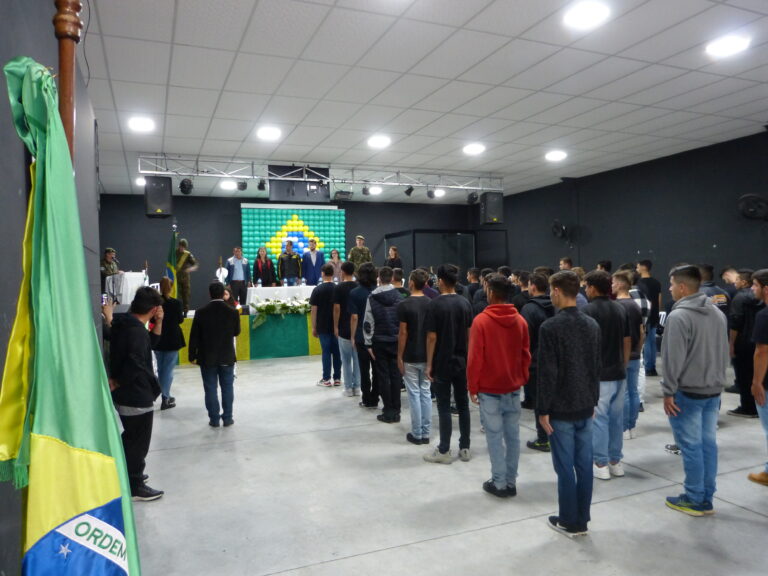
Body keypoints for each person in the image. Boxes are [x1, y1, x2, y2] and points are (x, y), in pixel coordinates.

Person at [537, 271, 601, 537]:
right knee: (584, 465)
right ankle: (582, 518)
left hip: (561, 409)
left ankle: (568, 519)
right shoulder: (592, 325)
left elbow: (548, 372)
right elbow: (595, 367)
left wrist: (542, 410)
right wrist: (594, 399)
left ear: (556, 291)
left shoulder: (550, 327)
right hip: (586, 404)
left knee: (564, 468)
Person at [662, 265, 729, 516]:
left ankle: (694, 497)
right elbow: (724, 351)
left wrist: (668, 391)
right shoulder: (717, 313)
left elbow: (672, 359)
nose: (669, 289)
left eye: (671, 284)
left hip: (687, 393)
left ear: (682, 287)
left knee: (691, 446)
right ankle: (706, 495)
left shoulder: (679, 317)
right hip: (713, 391)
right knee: (708, 444)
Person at [468, 274, 531, 498]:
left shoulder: (481, 322)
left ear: (491, 293)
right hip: (513, 386)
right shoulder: (520, 321)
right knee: (513, 435)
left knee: (494, 435)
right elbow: (526, 355)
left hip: (489, 388)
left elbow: (475, 357)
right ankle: (511, 480)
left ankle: (499, 481)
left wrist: (472, 386)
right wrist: (521, 377)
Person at [109, 287, 165, 501]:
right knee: (138, 442)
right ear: (153, 309)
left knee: (131, 438)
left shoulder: (125, 324)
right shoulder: (136, 332)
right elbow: (135, 362)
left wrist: (157, 323)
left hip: (129, 393)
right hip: (136, 394)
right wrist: (119, 381)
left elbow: (151, 345)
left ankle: (130, 475)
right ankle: (134, 483)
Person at [423, 264, 473, 464]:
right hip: (461, 361)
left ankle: (444, 449)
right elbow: (470, 335)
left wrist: (429, 364)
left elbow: (431, 338)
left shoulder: (434, 305)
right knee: (463, 405)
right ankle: (465, 447)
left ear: (441, 281)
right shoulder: (465, 303)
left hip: (442, 362)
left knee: (444, 406)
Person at [582, 270, 630, 481]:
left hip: (599, 375)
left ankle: (600, 462)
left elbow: (585, 346)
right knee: (616, 419)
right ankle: (615, 461)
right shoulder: (620, 309)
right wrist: (624, 364)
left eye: (586, 286)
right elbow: (627, 340)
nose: (585, 289)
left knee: (599, 419)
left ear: (592, 288)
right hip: (619, 371)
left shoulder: (587, 311)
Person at [188, 282, 242, 427]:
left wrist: (192, 355)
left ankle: (214, 419)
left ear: (209, 294)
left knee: (210, 388)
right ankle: (228, 417)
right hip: (227, 355)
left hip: (207, 357)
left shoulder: (200, 312)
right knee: (227, 387)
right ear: (223, 293)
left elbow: (194, 336)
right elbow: (236, 332)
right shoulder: (232, 311)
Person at [364, 266, 405, 423]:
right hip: (395, 340)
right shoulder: (399, 296)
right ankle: (397, 409)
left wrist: (368, 344)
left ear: (379, 278)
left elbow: (368, 323)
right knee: (396, 376)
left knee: (382, 376)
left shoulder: (372, 298)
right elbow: (403, 322)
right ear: (392, 277)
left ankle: (388, 410)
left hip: (379, 341)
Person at [397, 269, 432, 444]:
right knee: (425, 392)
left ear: (411, 282)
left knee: (414, 394)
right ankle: (426, 432)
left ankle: (417, 433)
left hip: (410, 354)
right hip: (427, 354)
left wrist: (399, 356)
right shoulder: (431, 303)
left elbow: (403, 333)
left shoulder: (404, 304)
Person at [521, 273, 555, 448]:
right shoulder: (556, 305)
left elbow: (525, 338)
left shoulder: (529, 309)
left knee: (539, 403)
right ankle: (555, 436)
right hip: (556, 360)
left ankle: (543, 439)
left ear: (532, 286)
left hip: (536, 362)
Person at [612, 271, 644, 439]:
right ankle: (631, 425)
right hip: (634, 355)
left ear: (619, 284)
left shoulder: (617, 306)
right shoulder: (635, 305)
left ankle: (623, 427)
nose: (611, 286)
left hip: (621, 356)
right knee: (633, 391)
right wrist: (638, 349)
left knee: (623, 393)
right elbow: (642, 331)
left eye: (613, 282)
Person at [728, 269, 762, 418]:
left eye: (737, 280)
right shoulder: (760, 300)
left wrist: (731, 344)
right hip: (759, 341)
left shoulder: (739, 298)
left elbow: (735, 323)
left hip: (743, 342)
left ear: (744, 282)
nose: (735, 282)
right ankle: (759, 406)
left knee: (743, 376)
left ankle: (747, 407)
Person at [349, 263, 379, 409]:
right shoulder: (379, 291)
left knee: (364, 368)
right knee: (377, 368)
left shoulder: (355, 293)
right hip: (377, 335)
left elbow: (354, 317)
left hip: (361, 335)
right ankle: (375, 397)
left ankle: (366, 398)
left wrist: (353, 336)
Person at [749, 268, 768, 486]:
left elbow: (762, 351)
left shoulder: (764, 315)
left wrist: (757, 382)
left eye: (754, 285)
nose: (752, 289)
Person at [155, 277, 185, 411]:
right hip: (173, 338)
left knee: (161, 369)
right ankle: (165, 397)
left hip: (158, 337)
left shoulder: (155, 303)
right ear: (171, 287)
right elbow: (180, 320)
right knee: (168, 370)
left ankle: (165, 394)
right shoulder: (177, 303)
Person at [311, 263, 342, 387]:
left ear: (322, 274)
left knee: (326, 352)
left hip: (322, 326)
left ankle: (326, 379)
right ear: (333, 273)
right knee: (337, 352)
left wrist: (314, 326)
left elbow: (314, 310)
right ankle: (338, 378)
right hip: (337, 326)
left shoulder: (317, 289)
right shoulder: (337, 288)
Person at [334, 261, 359, 397]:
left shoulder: (338, 288)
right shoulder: (358, 286)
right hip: (357, 328)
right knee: (357, 360)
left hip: (343, 327)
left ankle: (348, 388)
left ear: (342, 272)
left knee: (346, 360)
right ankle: (357, 387)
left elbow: (337, 308)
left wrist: (335, 326)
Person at [636, 259, 662, 376]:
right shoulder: (656, 282)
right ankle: (652, 367)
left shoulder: (639, 284)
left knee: (646, 342)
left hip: (644, 315)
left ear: (643, 267)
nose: (636, 269)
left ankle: (647, 367)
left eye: (638, 267)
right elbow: (659, 300)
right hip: (655, 314)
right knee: (652, 341)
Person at [176, 238, 199, 317]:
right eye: (181, 246)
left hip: (185, 279)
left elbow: (195, 264)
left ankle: (185, 312)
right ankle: (177, 312)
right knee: (176, 296)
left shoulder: (187, 254)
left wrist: (191, 269)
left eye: (183, 247)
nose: (182, 248)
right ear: (178, 246)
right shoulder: (174, 253)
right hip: (176, 278)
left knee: (185, 296)